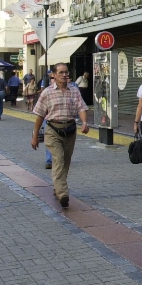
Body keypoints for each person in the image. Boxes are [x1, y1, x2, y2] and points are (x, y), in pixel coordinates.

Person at [30, 63, 89, 209]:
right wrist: (35, 136)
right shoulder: (47, 93)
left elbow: (81, 107)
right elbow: (39, 116)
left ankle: (58, 187)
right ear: (54, 75)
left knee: (66, 161)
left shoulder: (74, 91)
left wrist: (84, 122)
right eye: (61, 72)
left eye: (66, 72)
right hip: (53, 130)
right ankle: (63, 193)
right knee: (58, 159)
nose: (64, 75)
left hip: (70, 130)